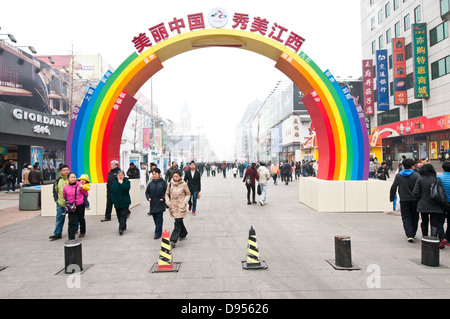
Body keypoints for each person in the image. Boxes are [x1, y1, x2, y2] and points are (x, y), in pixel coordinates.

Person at [413, 164, 447, 248]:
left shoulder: (420, 179)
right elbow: (441, 192)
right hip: (436, 204)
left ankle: (425, 237)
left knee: (424, 221)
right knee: (434, 223)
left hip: (424, 204)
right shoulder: (437, 179)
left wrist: (420, 198)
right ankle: (434, 238)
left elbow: (416, 192)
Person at [389, 158, 420, 243]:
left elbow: (394, 187)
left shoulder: (399, 175)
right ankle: (413, 233)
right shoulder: (416, 175)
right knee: (415, 216)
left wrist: (391, 197)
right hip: (415, 200)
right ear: (412, 166)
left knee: (406, 217)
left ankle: (409, 234)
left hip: (404, 200)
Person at [165, 170, 190, 247]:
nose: (175, 178)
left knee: (177, 222)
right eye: (174, 176)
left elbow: (188, 194)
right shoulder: (170, 184)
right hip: (173, 206)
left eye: (177, 176)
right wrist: (168, 202)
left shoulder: (184, 184)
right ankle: (183, 233)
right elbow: (166, 194)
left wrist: (184, 203)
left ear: (180, 177)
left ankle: (173, 240)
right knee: (178, 221)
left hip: (180, 206)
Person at [63, 173, 88, 240]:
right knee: (71, 221)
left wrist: (80, 199)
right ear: (68, 179)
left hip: (80, 205)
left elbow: (86, 193)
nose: (73, 178)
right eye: (71, 177)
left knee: (81, 218)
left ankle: (82, 231)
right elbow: (64, 196)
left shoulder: (79, 186)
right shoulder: (65, 187)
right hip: (71, 206)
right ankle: (71, 237)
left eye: (74, 177)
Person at [49, 165, 71, 241]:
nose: (66, 171)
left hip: (71, 203)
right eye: (64, 170)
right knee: (59, 218)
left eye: (67, 169)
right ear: (60, 172)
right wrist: (57, 200)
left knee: (74, 218)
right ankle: (57, 233)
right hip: (61, 203)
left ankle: (74, 230)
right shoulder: (58, 181)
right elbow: (55, 191)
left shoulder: (72, 179)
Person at [145, 168, 167, 239]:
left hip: (160, 203)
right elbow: (147, 192)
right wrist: (148, 197)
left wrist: (163, 198)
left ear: (159, 174)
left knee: (159, 218)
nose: (154, 175)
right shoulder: (151, 183)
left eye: (155, 174)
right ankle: (158, 229)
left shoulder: (163, 183)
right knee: (155, 218)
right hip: (153, 203)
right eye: (153, 174)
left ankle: (157, 233)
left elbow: (167, 192)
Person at [110, 170, 131, 235]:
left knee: (123, 215)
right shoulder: (114, 183)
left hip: (125, 202)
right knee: (119, 216)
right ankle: (123, 225)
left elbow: (127, 188)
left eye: (121, 175)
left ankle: (120, 228)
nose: (120, 176)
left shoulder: (127, 182)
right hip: (117, 203)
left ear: (124, 176)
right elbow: (112, 192)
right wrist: (113, 200)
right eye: (119, 175)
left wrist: (122, 183)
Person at [437, 161, 450, 244]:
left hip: (441, 203)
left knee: (440, 221)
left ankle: (442, 237)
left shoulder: (438, 177)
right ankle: (448, 238)